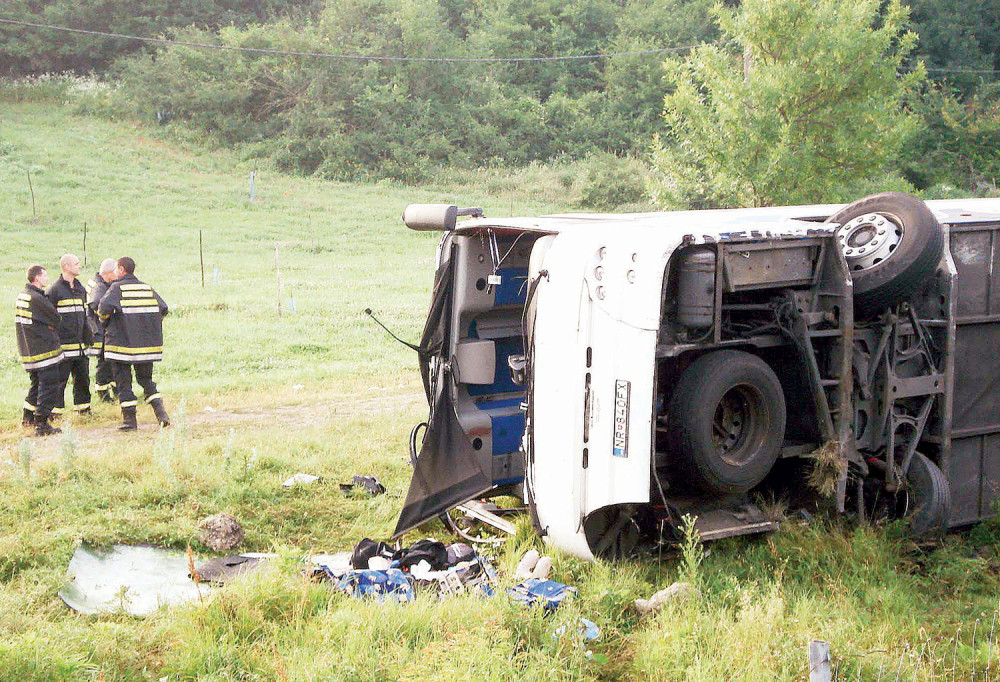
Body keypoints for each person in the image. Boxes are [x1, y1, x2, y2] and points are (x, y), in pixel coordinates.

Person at [98, 256, 170, 431]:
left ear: (121, 269)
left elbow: (102, 310)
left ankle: (130, 422)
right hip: (147, 347)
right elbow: (164, 308)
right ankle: (161, 415)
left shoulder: (116, 288)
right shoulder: (146, 288)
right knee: (146, 381)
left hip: (121, 347)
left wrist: (108, 324)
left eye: (116, 269)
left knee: (124, 383)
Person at [15, 265, 64, 436]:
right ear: (36, 278)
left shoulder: (23, 295)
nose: (47, 279)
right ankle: (41, 424)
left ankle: (27, 417)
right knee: (49, 385)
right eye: (44, 275)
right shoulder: (37, 298)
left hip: (29, 350)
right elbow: (56, 318)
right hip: (44, 351)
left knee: (36, 385)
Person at [47, 253, 93, 416]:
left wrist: (89, 335)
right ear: (66, 267)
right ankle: (55, 413)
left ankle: (84, 409)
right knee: (60, 381)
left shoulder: (80, 289)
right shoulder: (55, 290)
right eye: (76, 263)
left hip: (81, 347)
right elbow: (49, 319)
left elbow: (85, 315)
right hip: (63, 347)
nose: (79, 266)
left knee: (83, 379)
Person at [85, 258, 118, 403]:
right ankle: (103, 394)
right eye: (115, 273)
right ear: (108, 273)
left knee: (106, 360)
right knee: (104, 361)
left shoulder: (97, 281)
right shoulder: (99, 286)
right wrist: (107, 316)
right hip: (100, 329)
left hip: (98, 328)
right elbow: (96, 304)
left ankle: (112, 389)